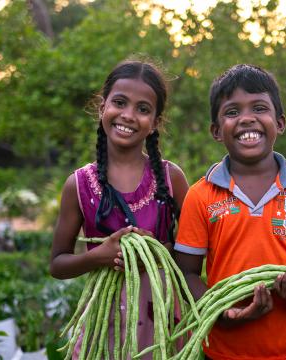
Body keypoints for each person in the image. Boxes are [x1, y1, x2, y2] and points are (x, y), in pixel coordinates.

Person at [174, 64, 286, 360]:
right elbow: (187, 272)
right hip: (224, 350)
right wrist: (222, 312)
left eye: (259, 108)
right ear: (216, 131)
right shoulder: (200, 195)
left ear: (279, 122)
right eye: (232, 112)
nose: (247, 119)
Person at [50, 58, 189, 359]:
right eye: (120, 102)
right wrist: (98, 256)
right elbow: (57, 264)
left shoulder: (170, 177)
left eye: (143, 109)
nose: (128, 115)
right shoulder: (79, 184)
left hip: (162, 321)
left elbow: (194, 254)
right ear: (102, 107)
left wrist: (160, 252)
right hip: (105, 325)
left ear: (155, 123)